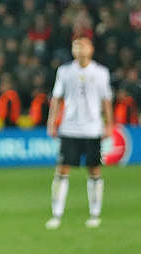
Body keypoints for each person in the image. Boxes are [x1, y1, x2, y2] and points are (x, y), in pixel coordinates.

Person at [45, 35, 112, 230]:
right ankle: (56, 214)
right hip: (70, 127)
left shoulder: (100, 72)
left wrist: (109, 124)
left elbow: (106, 100)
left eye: (83, 46)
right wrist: (52, 121)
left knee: (94, 170)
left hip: (92, 128)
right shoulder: (65, 71)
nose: (79, 49)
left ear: (91, 49)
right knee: (62, 170)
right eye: (76, 46)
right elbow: (57, 98)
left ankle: (95, 213)